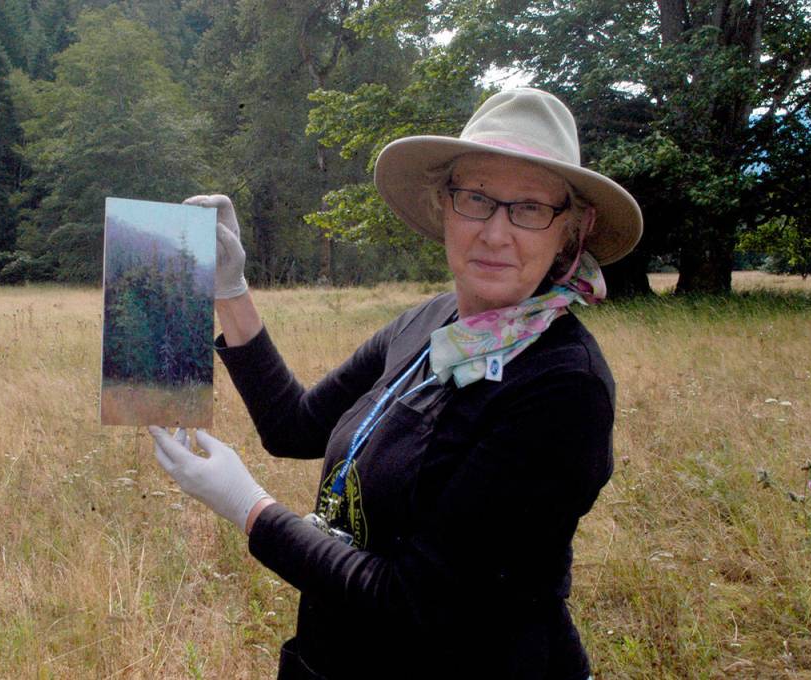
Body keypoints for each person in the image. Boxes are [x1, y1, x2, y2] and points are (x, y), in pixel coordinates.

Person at [149, 87, 642, 679]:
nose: (494, 232)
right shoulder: (428, 323)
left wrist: (249, 508)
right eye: (476, 199)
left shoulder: (563, 387)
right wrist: (230, 289)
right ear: (443, 206)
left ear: (572, 229)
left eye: (530, 208)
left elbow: (418, 601)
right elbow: (295, 426)